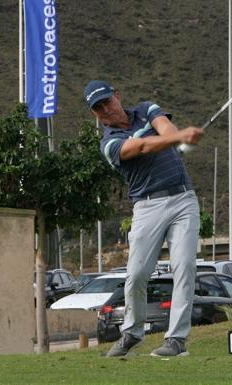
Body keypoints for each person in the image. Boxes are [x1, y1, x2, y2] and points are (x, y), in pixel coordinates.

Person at [84, 80, 204, 357]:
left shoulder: (146, 109)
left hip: (183, 199)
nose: (106, 110)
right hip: (147, 207)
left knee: (184, 268)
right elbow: (141, 147)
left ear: (117, 95)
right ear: (95, 115)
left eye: (107, 102)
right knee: (137, 274)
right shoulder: (109, 143)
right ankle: (132, 333)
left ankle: (176, 340)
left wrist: (178, 135)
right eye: (99, 109)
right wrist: (180, 138)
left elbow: (166, 129)